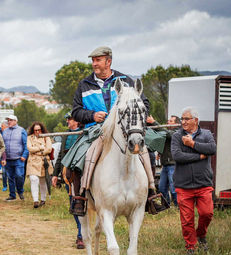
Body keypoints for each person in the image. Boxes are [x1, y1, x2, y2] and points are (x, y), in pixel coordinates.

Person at [62, 46, 165, 216]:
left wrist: (134, 122)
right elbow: (76, 111)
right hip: (96, 130)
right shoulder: (84, 84)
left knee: (148, 150)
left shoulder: (126, 81)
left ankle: (151, 193)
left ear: (108, 61)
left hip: (125, 129)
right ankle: (80, 197)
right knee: (77, 157)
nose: (94, 64)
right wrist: (92, 115)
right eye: (93, 61)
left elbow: (144, 105)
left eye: (98, 60)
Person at [171, 107, 216, 255]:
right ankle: (191, 247)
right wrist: (199, 156)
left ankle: (201, 234)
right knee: (187, 219)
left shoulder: (206, 134)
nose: (183, 122)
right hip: (183, 185)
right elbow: (177, 156)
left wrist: (192, 145)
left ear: (196, 120)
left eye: (186, 119)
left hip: (203, 183)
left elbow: (212, 148)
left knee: (207, 213)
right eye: (182, 119)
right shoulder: (177, 136)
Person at [52, 112, 84, 248]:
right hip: (67, 175)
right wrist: (55, 174)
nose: (67, 122)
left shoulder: (84, 133)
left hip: (81, 172)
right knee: (73, 204)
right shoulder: (65, 135)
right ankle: (80, 230)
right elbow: (60, 155)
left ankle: (81, 236)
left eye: (69, 119)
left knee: (81, 203)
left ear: (77, 121)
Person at [148, 115, 181, 207]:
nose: (168, 122)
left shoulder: (177, 132)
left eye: (170, 121)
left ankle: (178, 208)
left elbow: (167, 134)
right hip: (165, 165)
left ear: (176, 124)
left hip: (173, 165)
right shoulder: (168, 132)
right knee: (162, 188)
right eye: (168, 121)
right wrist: (159, 152)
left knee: (174, 189)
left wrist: (154, 122)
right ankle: (167, 206)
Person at [26, 122, 53, 208]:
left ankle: (43, 199)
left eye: (39, 130)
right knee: (34, 179)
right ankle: (35, 200)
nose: (37, 132)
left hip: (44, 161)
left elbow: (49, 149)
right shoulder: (29, 138)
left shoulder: (46, 137)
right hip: (33, 162)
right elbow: (30, 148)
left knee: (43, 181)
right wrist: (41, 148)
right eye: (35, 130)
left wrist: (38, 152)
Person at [2, 114, 29, 201]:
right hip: (8, 159)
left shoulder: (22, 131)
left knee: (19, 176)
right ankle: (12, 195)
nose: (9, 122)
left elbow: (26, 144)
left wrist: (24, 155)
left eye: (11, 120)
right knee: (10, 178)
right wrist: (3, 158)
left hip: (19, 158)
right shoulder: (5, 131)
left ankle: (20, 191)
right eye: (8, 120)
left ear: (15, 121)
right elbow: (2, 145)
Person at [0, 121, 9, 192]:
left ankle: (13, 186)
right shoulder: (1, 134)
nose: (1, 127)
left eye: (2, 126)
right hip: (3, 156)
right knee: (4, 172)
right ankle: (5, 185)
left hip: (11, 156)